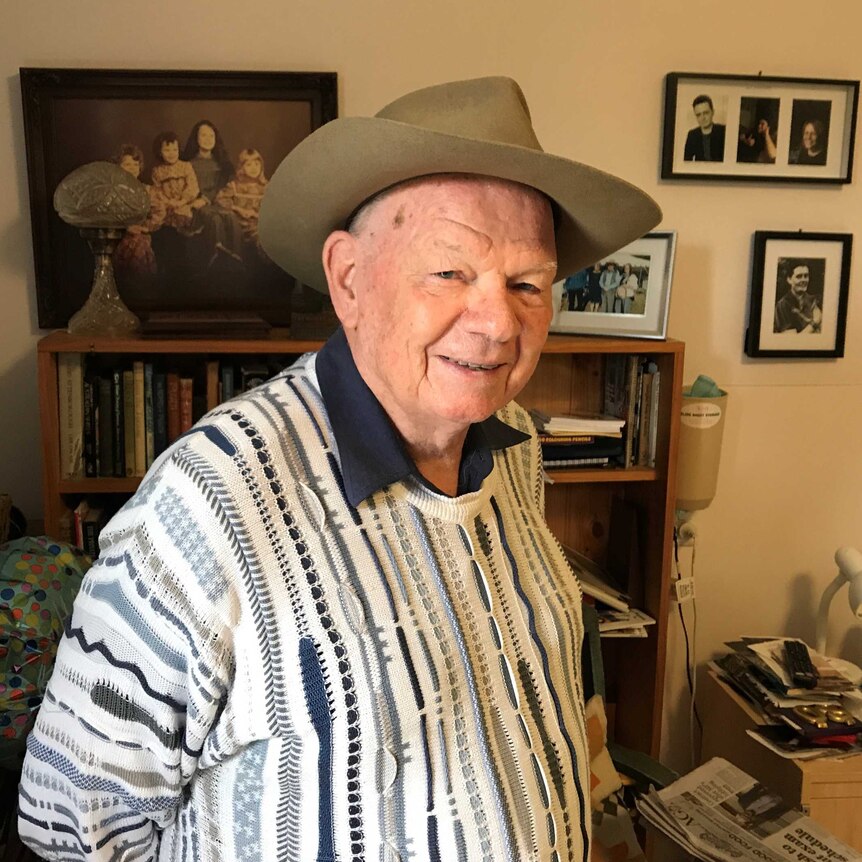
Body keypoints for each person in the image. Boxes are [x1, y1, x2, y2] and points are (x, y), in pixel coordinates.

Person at [18, 76, 660, 862]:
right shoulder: (208, 501)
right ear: (350, 279)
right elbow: (70, 828)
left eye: (528, 284)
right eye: (450, 272)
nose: (498, 323)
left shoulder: (514, 448)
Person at [183, 119, 243, 262]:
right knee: (215, 220)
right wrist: (199, 200)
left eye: (211, 136)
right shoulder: (188, 164)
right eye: (203, 135)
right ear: (196, 138)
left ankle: (236, 262)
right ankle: (217, 264)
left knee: (232, 218)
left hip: (217, 203)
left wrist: (210, 198)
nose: (208, 139)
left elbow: (224, 187)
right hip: (197, 206)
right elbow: (188, 189)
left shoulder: (222, 163)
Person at [112, 143, 166, 275]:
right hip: (116, 235)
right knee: (134, 243)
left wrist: (145, 227)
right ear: (118, 167)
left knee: (140, 242)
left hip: (140, 234)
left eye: (135, 165)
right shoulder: (112, 191)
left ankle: (141, 287)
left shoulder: (146, 190)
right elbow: (106, 214)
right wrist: (125, 227)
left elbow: (160, 211)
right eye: (127, 164)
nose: (132, 168)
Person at [216, 147, 269, 254]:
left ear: (261, 166)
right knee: (262, 238)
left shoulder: (267, 187)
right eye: (248, 165)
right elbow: (220, 199)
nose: (253, 168)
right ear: (242, 168)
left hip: (264, 223)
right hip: (245, 228)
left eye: (256, 164)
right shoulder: (234, 186)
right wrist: (238, 209)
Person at [150, 130, 200, 231]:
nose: (171, 153)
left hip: (185, 203)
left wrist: (181, 201)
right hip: (166, 205)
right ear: (160, 152)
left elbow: (192, 186)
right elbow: (157, 191)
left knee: (183, 217)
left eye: (174, 150)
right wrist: (168, 202)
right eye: (167, 150)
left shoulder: (186, 166)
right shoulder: (157, 171)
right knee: (161, 220)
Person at [774, 260, 822, 333]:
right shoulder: (782, 306)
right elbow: (792, 340)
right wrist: (815, 322)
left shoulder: (815, 300)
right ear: (789, 279)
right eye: (799, 276)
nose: (804, 280)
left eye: (806, 276)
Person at [683, 94, 726, 162]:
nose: (702, 118)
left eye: (706, 113)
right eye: (698, 115)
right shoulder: (692, 135)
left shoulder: (723, 131)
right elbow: (686, 161)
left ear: (713, 112)